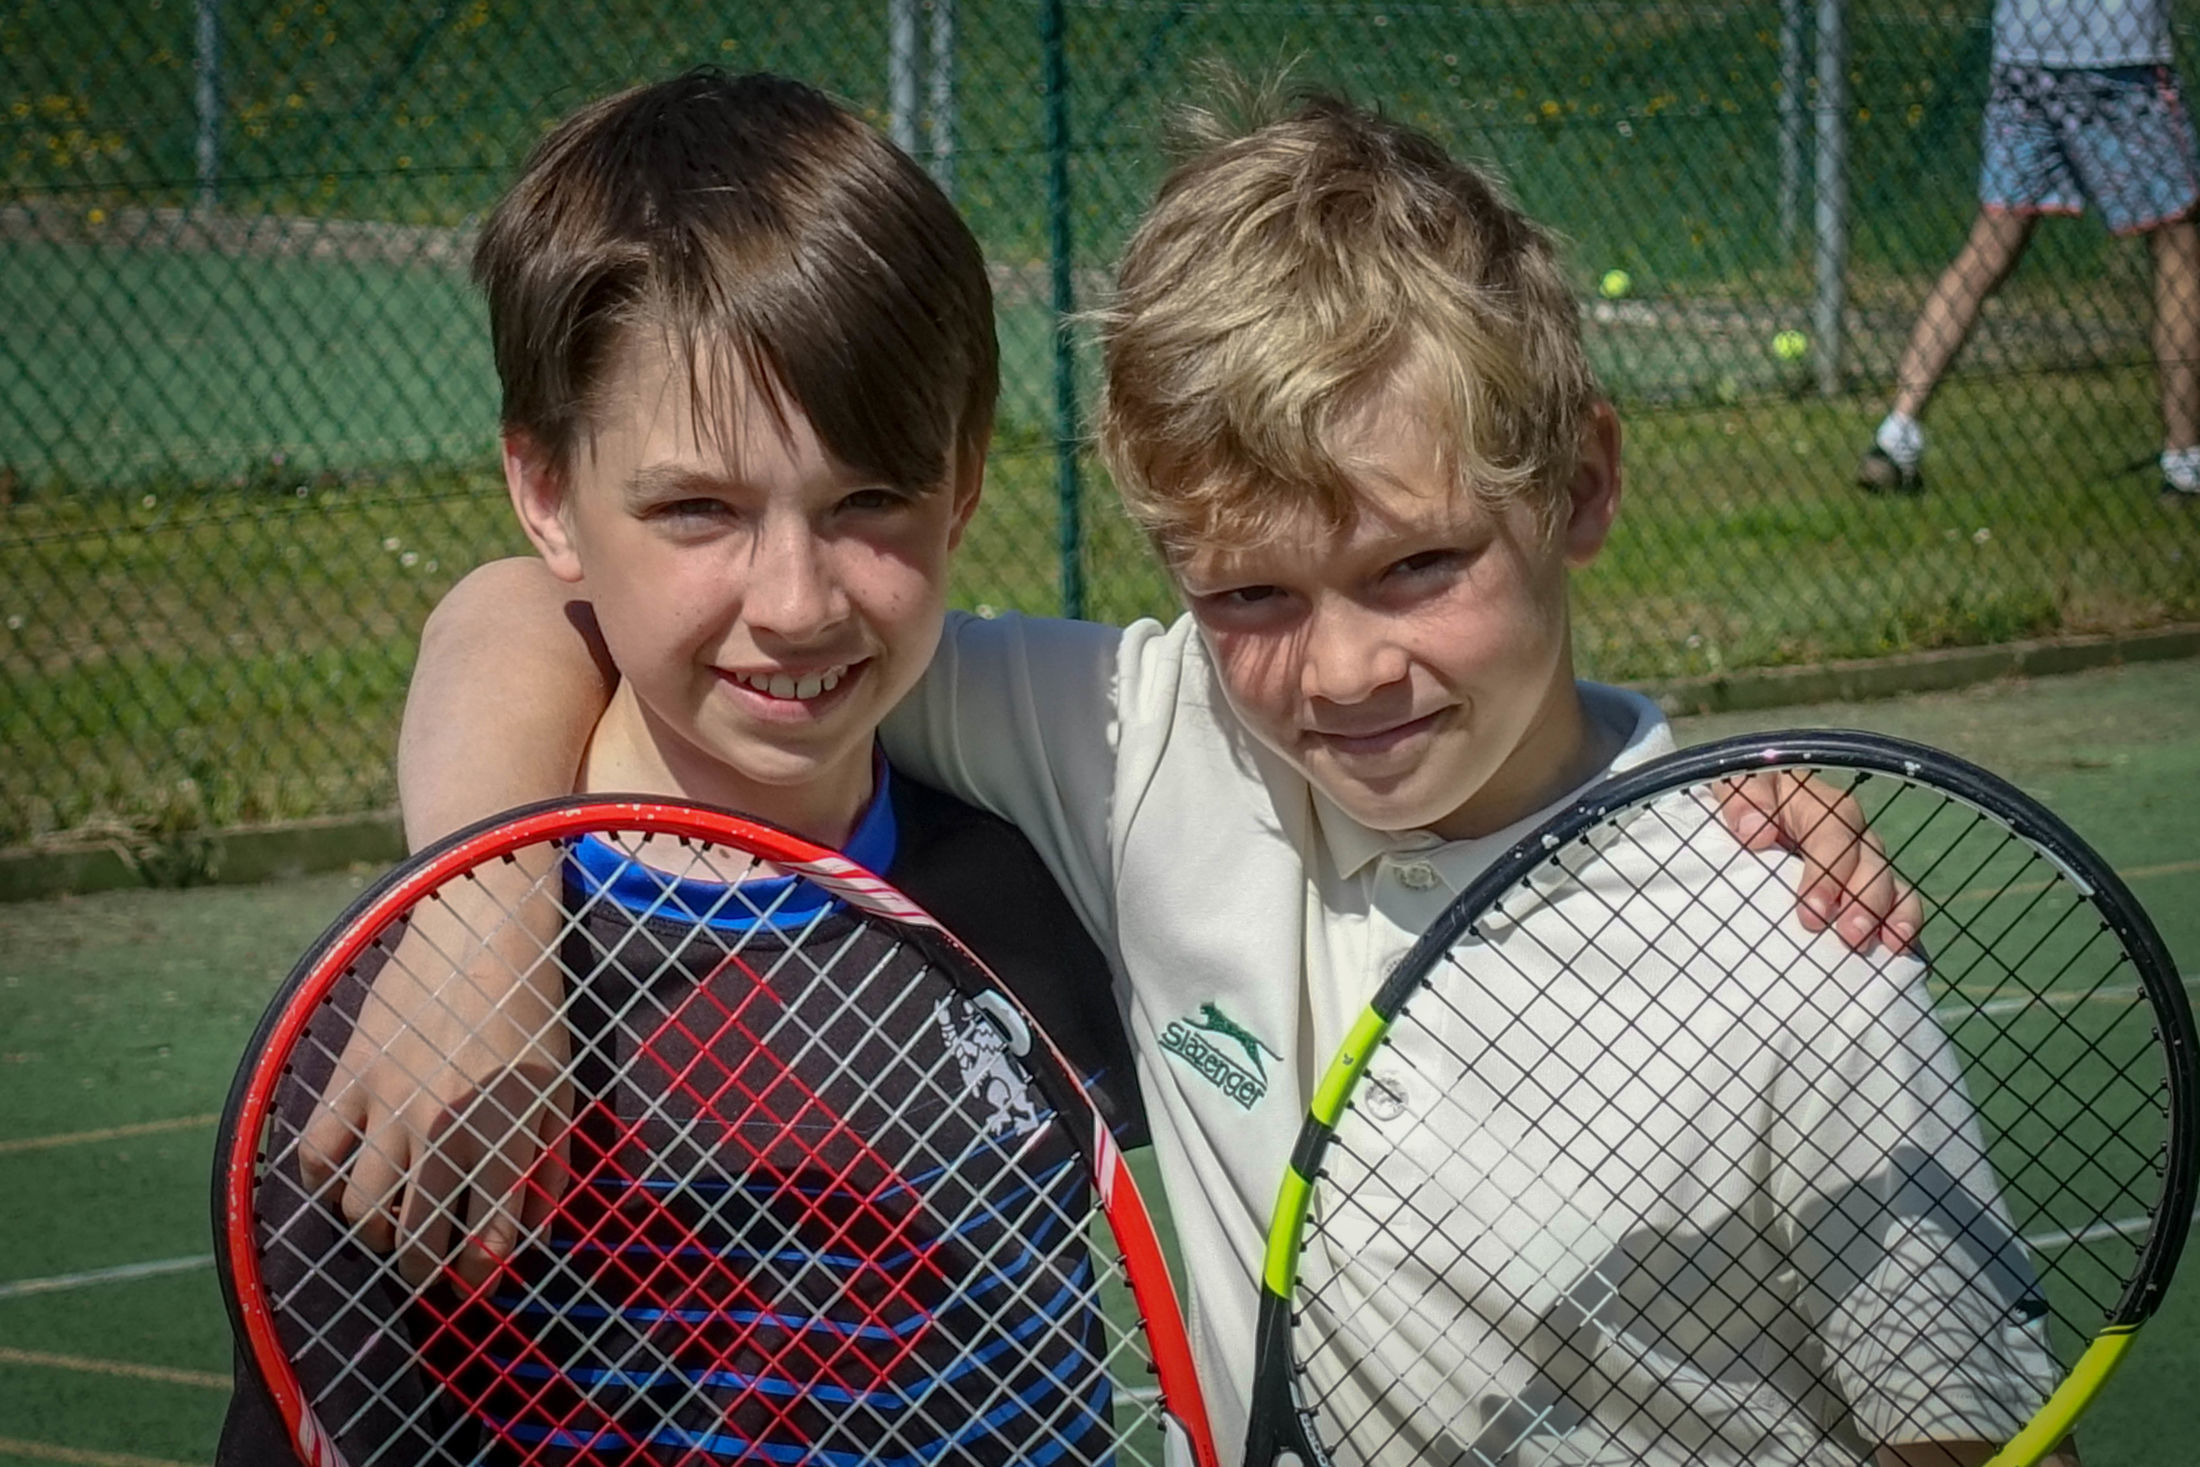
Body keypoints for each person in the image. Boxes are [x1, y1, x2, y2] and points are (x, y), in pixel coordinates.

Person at [357, 93, 1944, 1463]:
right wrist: (479, 920)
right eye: (1249, 592)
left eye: (1419, 563)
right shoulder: (1138, 739)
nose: (1342, 672)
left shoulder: (1800, 935)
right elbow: (537, 608)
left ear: (1582, 484)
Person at [219, 69, 1142, 1466]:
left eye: (869, 498)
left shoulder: (1039, 897)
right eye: (698, 507)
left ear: (961, 483)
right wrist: (480, 912)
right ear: (547, 494)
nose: (794, 598)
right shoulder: (409, 1026)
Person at [1858, 0, 2199, 500]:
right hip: (2120, 60)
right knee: (2178, 246)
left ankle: (1896, 436)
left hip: (2025, 55)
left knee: (1989, 247)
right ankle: (2185, 462)